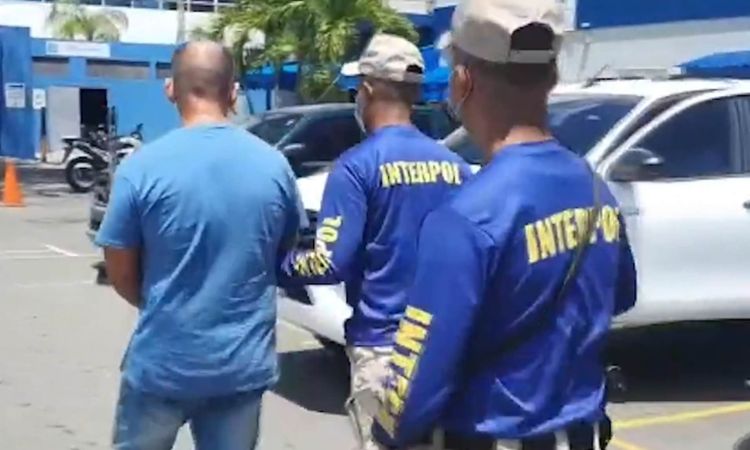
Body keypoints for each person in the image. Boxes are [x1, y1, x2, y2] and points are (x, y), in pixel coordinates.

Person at [372, 0, 638, 449]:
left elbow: (419, 378)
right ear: (552, 77)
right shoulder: (594, 188)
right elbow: (622, 294)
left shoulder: (466, 217)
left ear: (463, 81)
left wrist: (385, 430)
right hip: (582, 435)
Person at [96, 41, 302, 450]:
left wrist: (165, 303)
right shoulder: (274, 166)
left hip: (163, 365)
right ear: (234, 92)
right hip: (241, 367)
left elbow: (120, 271)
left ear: (170, 90)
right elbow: (282, 252)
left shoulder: (141, 168)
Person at [277, 34, 473, 450]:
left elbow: (329, 262)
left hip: (384, 348)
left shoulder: (357, 167)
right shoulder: (455, 165)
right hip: (446, 347)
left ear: (367, 90)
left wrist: (277, 264)